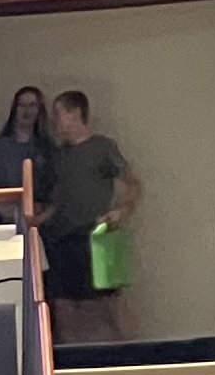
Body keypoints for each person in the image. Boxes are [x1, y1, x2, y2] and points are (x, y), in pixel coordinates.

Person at [39, 89, 142, 344]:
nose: (55, 121)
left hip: (95, 237)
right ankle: (71, 358)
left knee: (110, 301)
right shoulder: (57, 156)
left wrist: (121, 211)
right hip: (62, 239)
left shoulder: (102, 147)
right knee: (63, 304)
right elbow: (54, 201)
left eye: (59, 114)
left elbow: (132, 183)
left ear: (75, 113)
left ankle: (133, 353)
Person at [0, 85, 55, 214]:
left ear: (39, 110)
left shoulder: (49, 151)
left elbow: (55, 194)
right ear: (14, 109)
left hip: (37, 220)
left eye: (32, 105)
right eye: (22, 105)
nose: (26, 111)